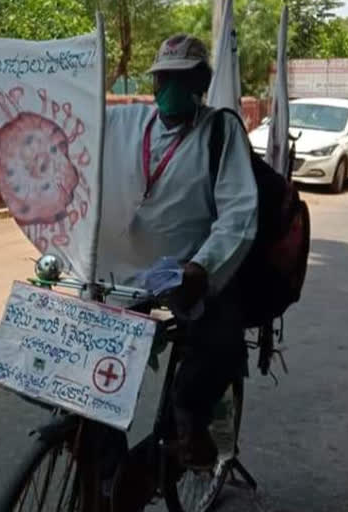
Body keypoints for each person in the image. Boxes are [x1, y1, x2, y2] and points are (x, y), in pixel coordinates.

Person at [98, 34, 258, 469]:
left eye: (180, 78)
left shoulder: (220, 130)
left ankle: (190, 421)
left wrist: (201, 269)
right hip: (120, 268)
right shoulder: (124, 123)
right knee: (86, 350)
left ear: (200, 83)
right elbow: (71, 131)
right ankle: (103, 453)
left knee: (220, 337)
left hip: (186, 272)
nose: (168, 87)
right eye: (162, 77)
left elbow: (239, 214)